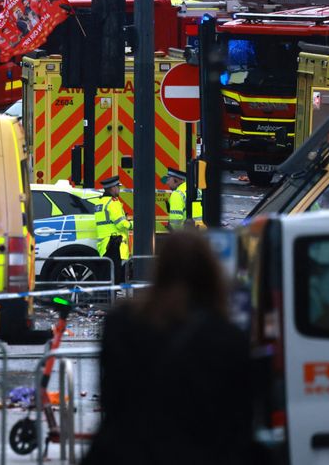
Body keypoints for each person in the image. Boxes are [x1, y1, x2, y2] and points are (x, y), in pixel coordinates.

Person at [82, 231, 251, 465]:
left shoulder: (121, 324)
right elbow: (237, 418)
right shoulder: (227, 337)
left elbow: (112, 398)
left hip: (131, 452)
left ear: (160, 269)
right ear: (210, 275)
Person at [94, 176, 131, 283]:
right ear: (112, 188)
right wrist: (131, 224)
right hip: (115, 244)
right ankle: (116, 298)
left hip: (104, 245)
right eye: (117, 187)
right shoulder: (113, 203)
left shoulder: (99, 202)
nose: (119, 189)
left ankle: (108, 298)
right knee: (117, 277)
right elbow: (120, 224)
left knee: (107, 277)